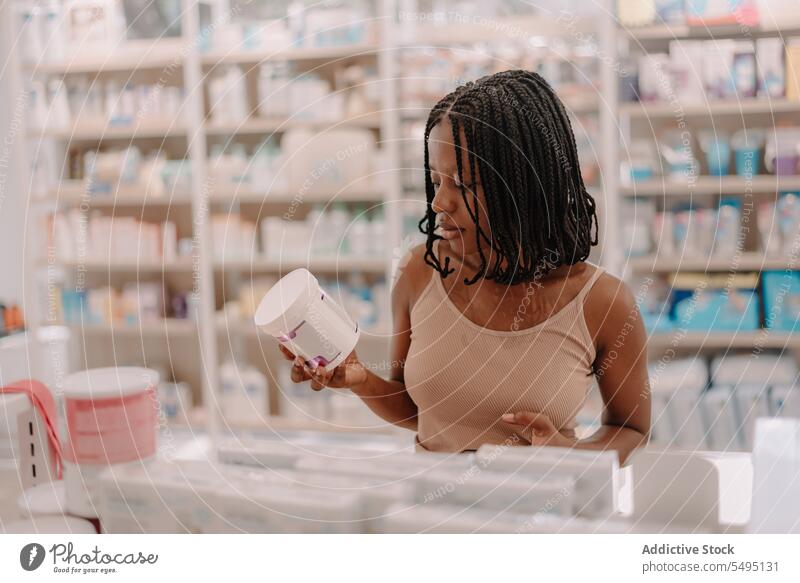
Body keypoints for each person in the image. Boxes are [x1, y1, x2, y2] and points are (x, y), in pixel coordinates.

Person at [279, 70, 650, 464]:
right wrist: (360, 381)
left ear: (522, 184)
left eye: (463, 184)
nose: (440, 202)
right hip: (431, 513)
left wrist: (570, 451)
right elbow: (422, 411)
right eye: (436, 181)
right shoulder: (419, 273)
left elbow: (633, 429)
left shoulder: (603, 303)